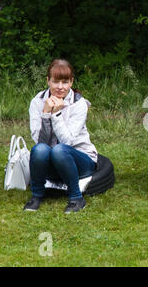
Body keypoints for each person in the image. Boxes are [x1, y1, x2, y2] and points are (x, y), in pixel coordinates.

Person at [23, 59, 98, 213]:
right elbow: (40, 142)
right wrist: (45, 113)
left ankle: (76, 198)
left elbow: (67, 141)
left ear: (71, 82)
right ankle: (36, 195)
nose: (60, 87)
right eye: (56, 81)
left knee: (59, 150)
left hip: (81, 158)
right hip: (51, 159)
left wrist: (56, 114)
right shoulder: (37, 102)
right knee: (39, 150)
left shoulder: (79, 103)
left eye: (65, 82)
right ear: (48, 81)